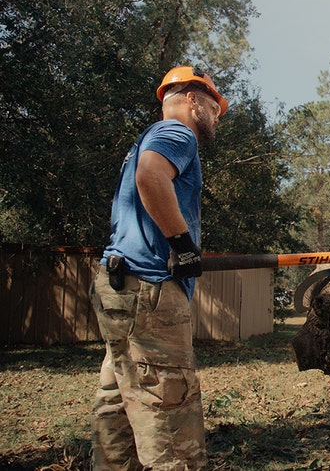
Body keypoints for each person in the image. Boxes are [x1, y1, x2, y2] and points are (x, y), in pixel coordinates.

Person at [89, 65, 228, 470]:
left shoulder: (144, 140)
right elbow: (151, 178)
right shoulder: (177, 132)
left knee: (116, 410)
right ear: (191, 99)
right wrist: (183, 245)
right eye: (213, 106)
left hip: (121, 290)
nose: (216, 115)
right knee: (170, 421)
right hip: (150, 291)